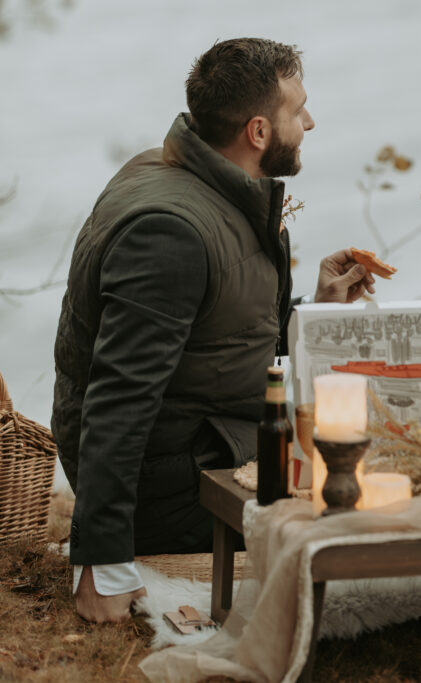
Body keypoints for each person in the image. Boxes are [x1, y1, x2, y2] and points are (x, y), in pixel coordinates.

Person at [51, 38, 376, 622]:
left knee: (375, 460)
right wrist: (103, 560)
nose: (309, 121)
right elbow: (117, 397)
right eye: (296, 111)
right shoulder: (170, 231)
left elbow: (221, 339)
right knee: (370, 506)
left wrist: (315, 308)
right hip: (175, 486)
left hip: (204, 440)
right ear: (257, 132)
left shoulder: (204, 178)